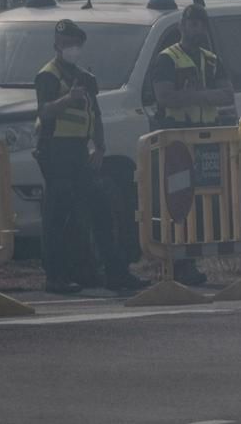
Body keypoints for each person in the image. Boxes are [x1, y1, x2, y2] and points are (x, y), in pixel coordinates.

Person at [33, 18, 139, 293]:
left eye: (75, 44)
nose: (70, 48)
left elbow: (97, 116)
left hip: (80, 151)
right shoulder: (48, 75)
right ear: (57, 45)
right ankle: (56, 277)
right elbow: (44, 111)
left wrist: (100, 148)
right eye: (65, 44)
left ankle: (115, 271)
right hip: (55, 150)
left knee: (100, 208)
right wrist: (67, 99)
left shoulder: (86, 78)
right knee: (58, 214)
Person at [145, 1, 236, 286]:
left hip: (206, 137)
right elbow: (165, 97)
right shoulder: (167, 58)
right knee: (177, 201)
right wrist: (203, 95)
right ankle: (175, 263)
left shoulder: (211, 59)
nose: (196, 29)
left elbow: (227, 94)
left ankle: (191, 261)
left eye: (200, 24)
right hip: (177, 139)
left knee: (201, 201)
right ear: (182, 26)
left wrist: (198, 95)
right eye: (192, 24)